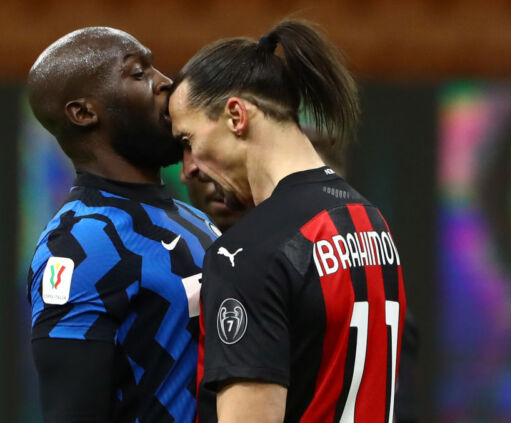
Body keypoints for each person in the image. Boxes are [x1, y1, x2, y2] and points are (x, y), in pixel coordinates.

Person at [169, 20, 407, 423]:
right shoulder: (370, 221)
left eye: (188, 140)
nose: (187, 169)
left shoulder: (245, 254)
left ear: (235, 116)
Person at [26, 27, 220, 423]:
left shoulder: (196, 220)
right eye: (138, 73)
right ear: (83, 113)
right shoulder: (78, 246)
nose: (166, 83)